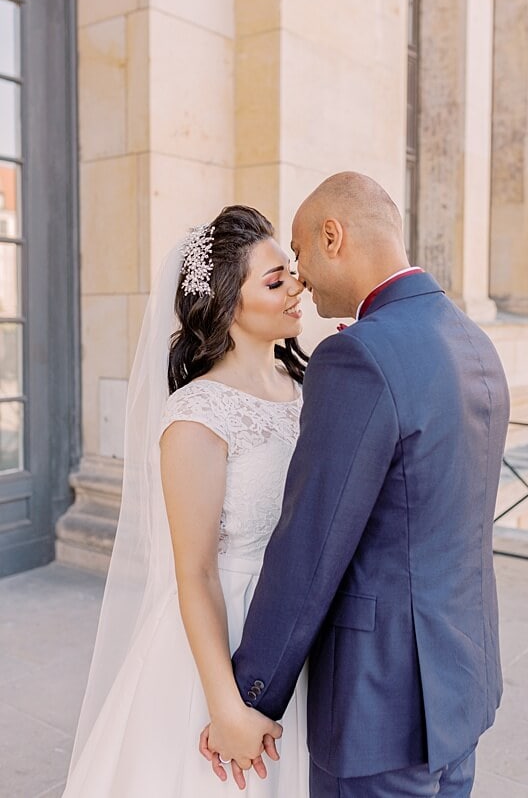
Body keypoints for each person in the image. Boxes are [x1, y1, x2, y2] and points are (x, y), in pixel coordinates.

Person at [201, 172, 510, 798]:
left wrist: (251, 698)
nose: (299, 277)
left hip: (380, 708)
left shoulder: (359, 357)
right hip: (460, 690)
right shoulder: (472, 339)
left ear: (333, 235)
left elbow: (310, 545)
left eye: (301, 251)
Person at [65, 205, 312, 796]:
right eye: (275, 281)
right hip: (221, 634)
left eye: (293, 274)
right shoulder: (198, 413)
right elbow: (194, 571)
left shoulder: (306, 388)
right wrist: (224, 707)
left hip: (293, 630)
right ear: (227, 305)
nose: (297, 288)